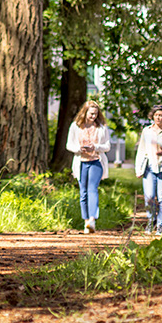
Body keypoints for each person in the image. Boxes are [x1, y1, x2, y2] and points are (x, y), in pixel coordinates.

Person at [65, 100, 112, 234]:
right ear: (85, 112)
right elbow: (69, 145)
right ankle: (86, 222)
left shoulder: (102, 128)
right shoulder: (75, 126)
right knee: (83, 193)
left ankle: (92, 219)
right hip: (81, 162)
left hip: (96, 161)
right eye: (91, 114)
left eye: (96, 114)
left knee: (92, 189)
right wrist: (79, 149)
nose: (93, 117)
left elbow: (107, 146)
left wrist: (95, 147)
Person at [135, 104, 162, 235]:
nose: (158, 118)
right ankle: (151, 221)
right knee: (149, 197)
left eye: (161, 115)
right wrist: (138, 169)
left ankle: (160, 225)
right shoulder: (146, 131)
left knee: (161, 198)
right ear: (152, 116)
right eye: (156, 115)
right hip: (149, 167)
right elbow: (141, 150)